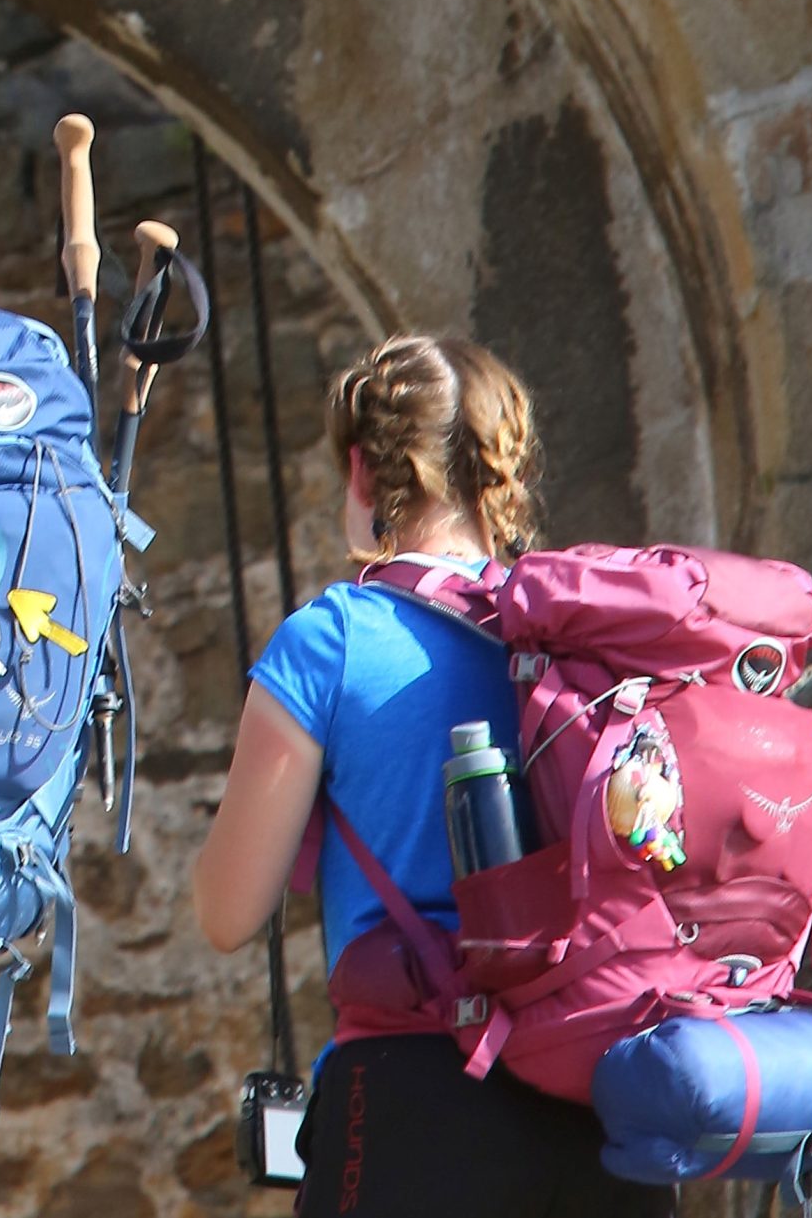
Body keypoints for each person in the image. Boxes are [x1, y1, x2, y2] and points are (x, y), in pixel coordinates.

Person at [190, 334, 672, 1217]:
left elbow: (228, 912)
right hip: (601, 1099)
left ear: (361, 473)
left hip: (413, 1101)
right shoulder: (581, 645)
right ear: (504, 472)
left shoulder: (331, 640)